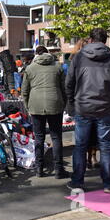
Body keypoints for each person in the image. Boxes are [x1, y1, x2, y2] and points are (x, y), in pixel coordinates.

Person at [65, 28, 110, 193]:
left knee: (81, 146)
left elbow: (69, 83)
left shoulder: (79, 57)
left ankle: (78, 182)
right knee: (106, 146)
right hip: (104, 108)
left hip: (83, 107)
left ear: (91, 40)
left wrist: (71, 104)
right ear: (105, 41)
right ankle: (109, 183)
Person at [22, 46, 69, 179]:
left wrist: (27, 107)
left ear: (36, 54)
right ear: (48, 53)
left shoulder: (30, 68)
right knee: (56, 137)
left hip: (36, 105)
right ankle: (59, 169)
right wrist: (62, 103)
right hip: (55, 103)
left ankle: (39, 169)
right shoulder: (57, 66)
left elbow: (24, 91)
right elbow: (64, 88)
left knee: (39, 137)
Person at [69, 38, 100, 169]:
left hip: (80, 102)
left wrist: (71, 102)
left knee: (82, 137)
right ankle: (92, 158)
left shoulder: (74, 60)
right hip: (95, 101)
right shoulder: (93, 60)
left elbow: (69, 83)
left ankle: (83, 165)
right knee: (93, 133)